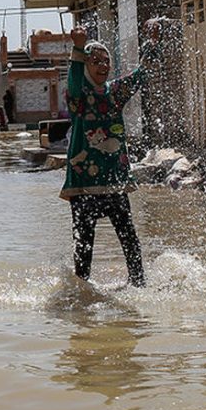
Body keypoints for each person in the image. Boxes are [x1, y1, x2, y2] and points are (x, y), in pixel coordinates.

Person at [60, 21, 160, 288]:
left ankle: (138, 286)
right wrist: (78, 48)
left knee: (129, 238)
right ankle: (82, 292)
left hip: (115, 179)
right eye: (96, 62)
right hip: (84, 185)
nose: (103, 66)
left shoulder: (114, 93)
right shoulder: (79, 97)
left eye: (106, 61)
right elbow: (73, 83)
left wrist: (151, 43)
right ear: (85, 66)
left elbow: (141, 75)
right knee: (83, 244)